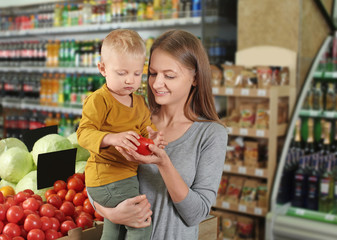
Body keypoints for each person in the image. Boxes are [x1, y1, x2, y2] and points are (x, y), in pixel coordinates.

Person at [89, 29, 228, 240]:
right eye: (153, 73)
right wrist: (111, 214)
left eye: (169, 75)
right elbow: (97, 174)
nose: (156, 84)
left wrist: (164, 163)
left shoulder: (210, 134)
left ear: (196, 79)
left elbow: (197, 214)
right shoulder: (134, 118)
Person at [77, 29, 165, 240]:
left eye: (136, 73)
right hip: (107, 177)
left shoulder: (140, 103)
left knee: (115, 229)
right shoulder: (100, 100)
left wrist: (151, 139)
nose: (130, 80)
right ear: (103, 69)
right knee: (140, 223)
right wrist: (110, 138)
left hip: (124, 177)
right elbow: (83, 133)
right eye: (122, 73)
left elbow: (144, 131)